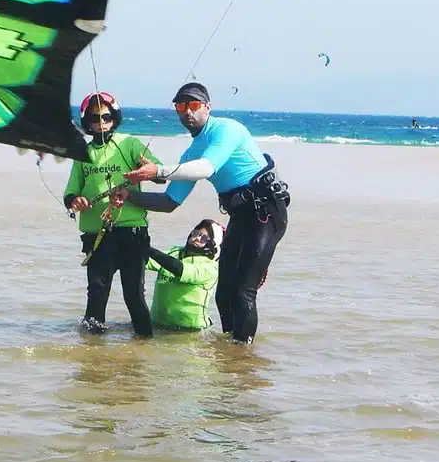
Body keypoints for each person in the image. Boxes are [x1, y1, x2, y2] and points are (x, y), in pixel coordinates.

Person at [111, 81, 289, 344]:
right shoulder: (192, 151)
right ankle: (229, 352)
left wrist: (158, 171)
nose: (187, 112)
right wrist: (130, 197)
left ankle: (243, 357)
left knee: (243, 291)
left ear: (207, 107)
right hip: (240, 217)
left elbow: (206, 168)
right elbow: (170, 201)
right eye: (181, 106)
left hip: (267, 213)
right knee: (224, 292)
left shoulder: (227, 130)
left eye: (194, 105)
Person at [63, 91, 161, 338]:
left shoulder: (130, 144)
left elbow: (159, 173)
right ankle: (92, 356)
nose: (101, 123)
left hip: (132, 232)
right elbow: (70, 193)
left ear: (114, 118)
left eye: (106, 117)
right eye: (95, 119)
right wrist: (76, 201)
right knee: (96, 293)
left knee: (134, 295)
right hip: (97, 235)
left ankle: (144, 346)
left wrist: (146, 172)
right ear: (87, 122)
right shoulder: (82, 154)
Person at [147, 219, 224, 331]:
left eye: (204, 238)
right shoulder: (175, 252)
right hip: (157, 325)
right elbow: (147, 261)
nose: (197, 238)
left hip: (191, 332)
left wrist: (148, 250)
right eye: (196, 233)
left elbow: (181, 270)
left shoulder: (211, 267)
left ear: (213, 244)